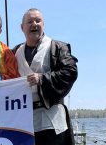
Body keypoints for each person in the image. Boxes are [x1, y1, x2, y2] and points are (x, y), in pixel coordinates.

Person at [13, 8, 78, 145]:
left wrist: (42, 79)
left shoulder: (58, 47)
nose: (34, 24)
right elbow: (4, 77)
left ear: (43, 24)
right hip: (24, 121)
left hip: (52, 121)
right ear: (22, 27)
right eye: (29, 21)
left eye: (38, 20)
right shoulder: (14, 53)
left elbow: (70, 72)